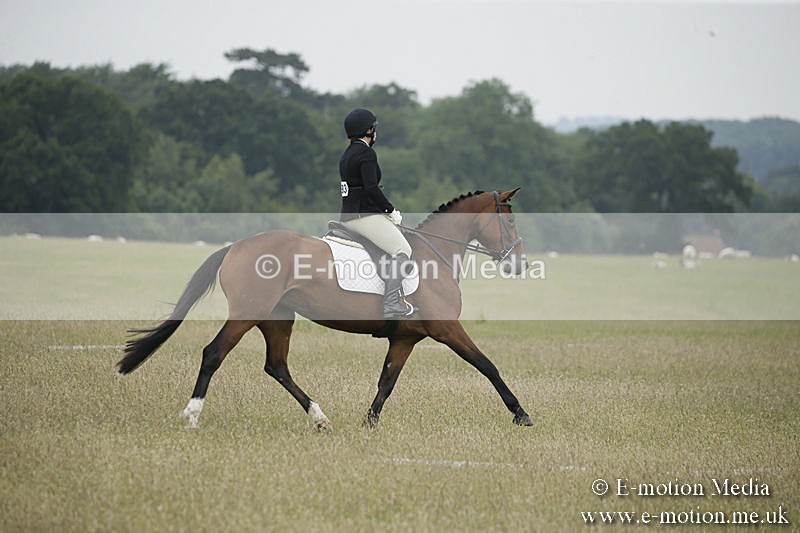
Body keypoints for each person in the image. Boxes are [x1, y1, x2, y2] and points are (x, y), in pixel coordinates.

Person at [339, 108, 416, 319]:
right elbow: (371, 188)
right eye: (374, 128)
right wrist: (390, 210)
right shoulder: (366, 153)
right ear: (368, 130)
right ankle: (391, 303)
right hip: (364, 217)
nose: (376, 133)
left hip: (347, 215)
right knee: (403, 249)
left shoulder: (347, 154)